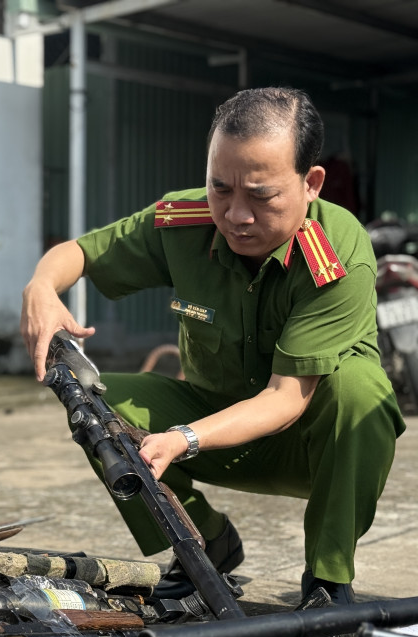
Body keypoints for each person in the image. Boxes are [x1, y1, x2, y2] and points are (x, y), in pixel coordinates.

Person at [21, 87, 404, 606]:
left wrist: (182, 438)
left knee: (360, 391)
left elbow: (288, 396)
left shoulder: (336, 254)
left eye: (261, 195)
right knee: (93, 402)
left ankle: (328, 577)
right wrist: (41, 287)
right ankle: (205, 542)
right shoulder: (184, 223)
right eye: (220, 188)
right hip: (218, 424)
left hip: (313, 446)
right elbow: (80, 253)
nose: (236, 215)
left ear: (311, 183)